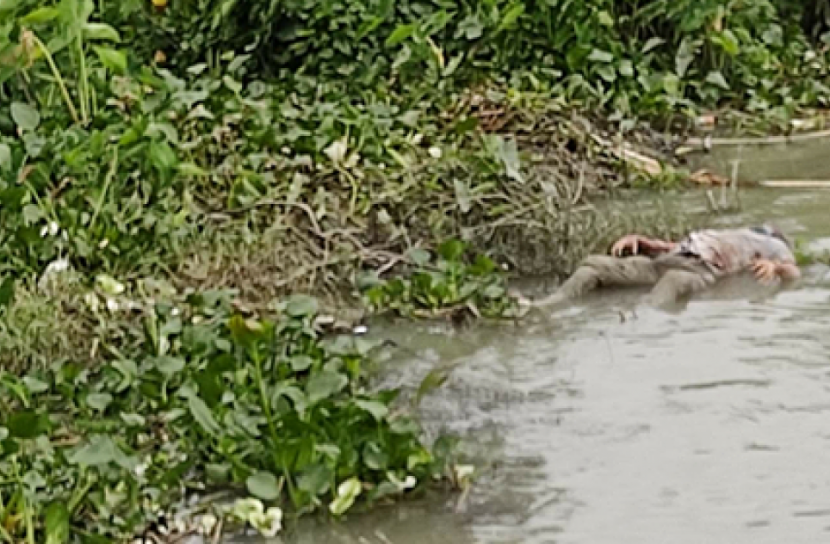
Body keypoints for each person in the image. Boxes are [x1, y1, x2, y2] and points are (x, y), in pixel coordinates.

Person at [533, 225, 801, 308]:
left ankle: (643, 326)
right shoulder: (726, 233)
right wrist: (643, 241)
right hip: (665, 260)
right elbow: (677, 245)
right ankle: (547, 304)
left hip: (700, 271)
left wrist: (775, 267)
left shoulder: (773, 246)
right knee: (596, 265)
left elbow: (793, 272)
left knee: (672, 281)